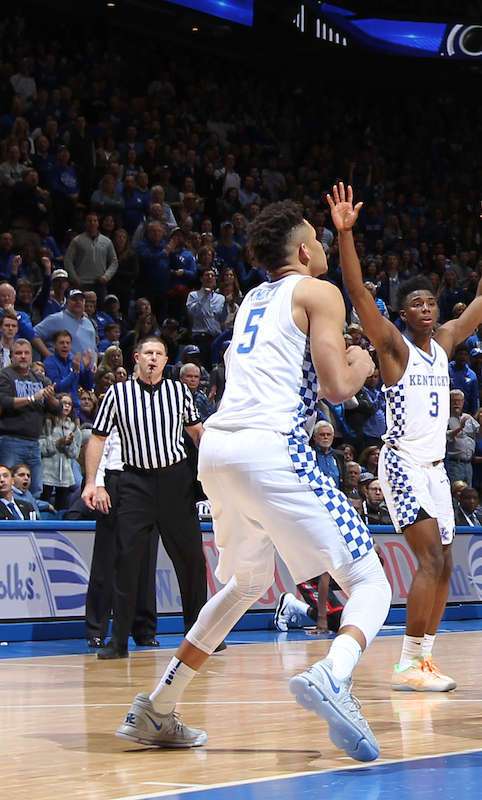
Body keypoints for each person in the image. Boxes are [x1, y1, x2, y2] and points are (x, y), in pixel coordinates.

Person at [105, 200, 387, 761]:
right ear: (305, 251)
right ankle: (334, 673)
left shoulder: (252, 301)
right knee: (370, 580)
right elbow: (335, 386)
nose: (325, 250)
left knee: (244, 583)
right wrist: (363, 362)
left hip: (218, 449)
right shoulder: (318, 292)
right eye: (320, 241)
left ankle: (158, 708)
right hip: (269, 447)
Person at [331, 183, 482, 691]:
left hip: (436, 469)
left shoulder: (447, 342)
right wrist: (345, 235)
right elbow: (359, 294)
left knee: (446, 562)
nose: (426, 308)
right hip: (403, 463)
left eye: (431, 301)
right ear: (404, 313)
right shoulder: (392, 347)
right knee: (429, 558)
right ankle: (407, 662)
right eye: (416, 303)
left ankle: (424, 658)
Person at [82, 337, 206, 660]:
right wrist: (91, 482)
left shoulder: (180, 392)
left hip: (176, 481)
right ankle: (118, 640)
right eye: (147, 353)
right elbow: (97, 439)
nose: (153, 359)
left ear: (167, 361)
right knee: (126, 561)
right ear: (136, 358)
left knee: (191, 559)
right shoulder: (117, 394)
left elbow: (196, 434)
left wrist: (217, 467)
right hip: (135, 482)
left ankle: (200, 636)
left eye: (159, 354)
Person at [81, 428, 158, 649]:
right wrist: (99, 484)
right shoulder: (116, 401)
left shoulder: (163, 405)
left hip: (151, 481)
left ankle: (144, 629)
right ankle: (96, 629)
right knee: (106, 557)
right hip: (115, 478)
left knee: (146, 559)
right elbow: (100, 446)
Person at [0, 338, 60, 497]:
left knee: (35, 491)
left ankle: (31, 519)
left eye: (26, 353)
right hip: (11, 440)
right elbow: (4, 402)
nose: (23, 356)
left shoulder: (41, 379)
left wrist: (49, 398)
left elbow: (58, 409)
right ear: (12, 356)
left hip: (35, 443)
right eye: (18, 353)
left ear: (32, 356)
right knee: (8, 488)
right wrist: (33, 398)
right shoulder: (5, 375)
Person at [39, 392, 80, 508]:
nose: (66, 406)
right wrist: (57, 443)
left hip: (65, 476)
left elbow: (75, 454)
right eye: (63, 403)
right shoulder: (47, 423)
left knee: (61, 507)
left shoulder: (74, 427)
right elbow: (40, 447)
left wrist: (69, 444)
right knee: (44, 504)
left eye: (69, 404)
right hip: (46, 473)